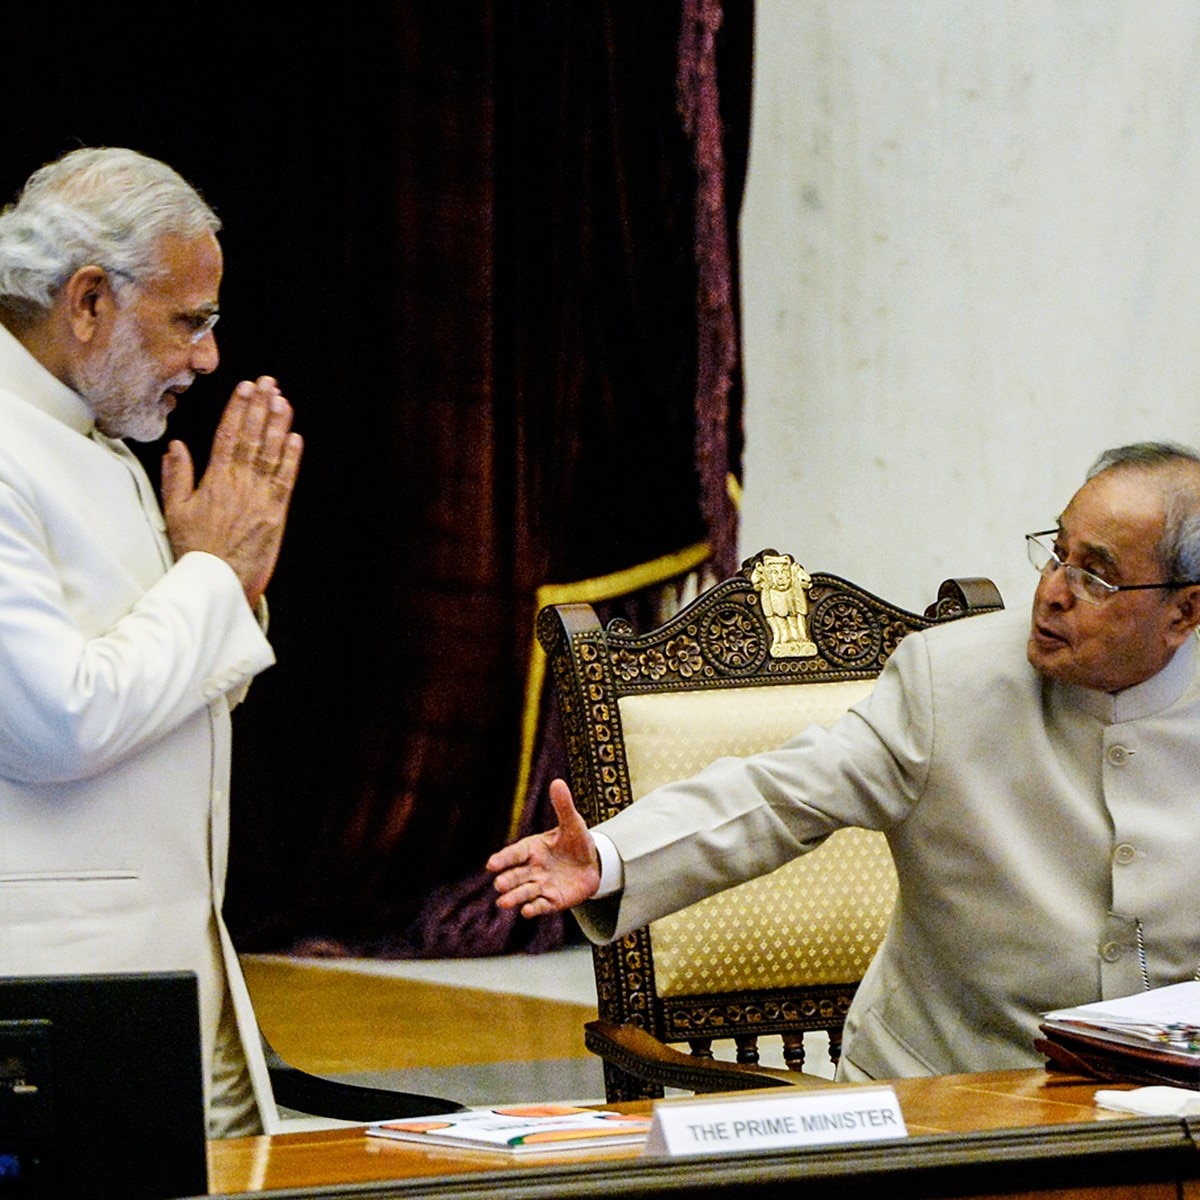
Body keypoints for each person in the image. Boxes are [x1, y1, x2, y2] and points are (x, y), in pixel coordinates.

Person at [489, 442, 1200, 1081]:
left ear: (1185, 612)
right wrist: (611, 856)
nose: (1052, 591)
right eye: (1056, 552)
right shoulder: (950, 680)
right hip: (944, 1093)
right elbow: (781, 794)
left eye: (1097, 577)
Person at [0, 147, 302, 1137]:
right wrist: (208, 579)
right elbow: (60, 722)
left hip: (173, 986)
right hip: (57, 1010)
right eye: (191, 322)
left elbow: (160, 699)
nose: (210, 357)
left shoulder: (92, 435)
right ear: (87, 301)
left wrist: (222, 591)